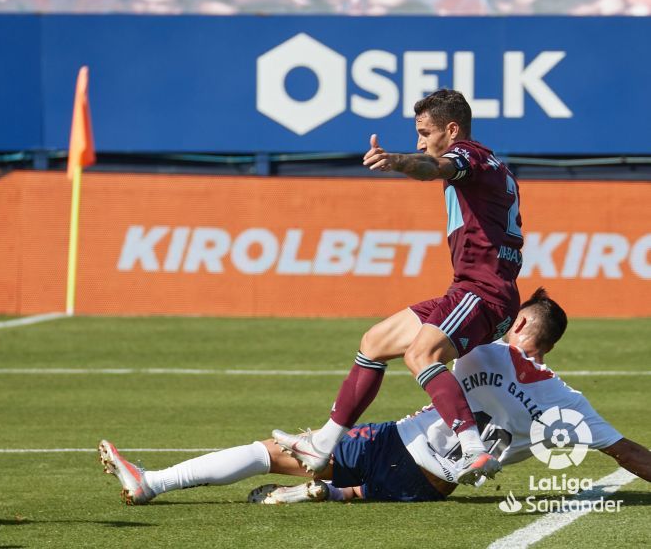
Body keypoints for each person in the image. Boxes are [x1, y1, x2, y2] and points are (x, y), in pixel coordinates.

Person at [98, 289, 651, 505]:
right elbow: (628, 454)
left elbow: (406, 346)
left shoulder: (480, 347)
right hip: (431, 488)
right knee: (346, 485)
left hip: (398, 444)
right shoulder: (567, 401)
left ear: (523, 320)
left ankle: (152, 483)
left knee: (271, 450)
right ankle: (325, 495)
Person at [272, 89, 524, 485]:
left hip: (482, 291)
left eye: (425, 132)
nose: (420, 141)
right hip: (474, 289)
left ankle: (474, 449)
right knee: (374, 342)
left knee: (422, 356)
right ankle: (322, 445)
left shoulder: (469, 157)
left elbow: (434, 167)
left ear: (452, 129)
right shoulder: (494, 164)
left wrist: (397, 162)